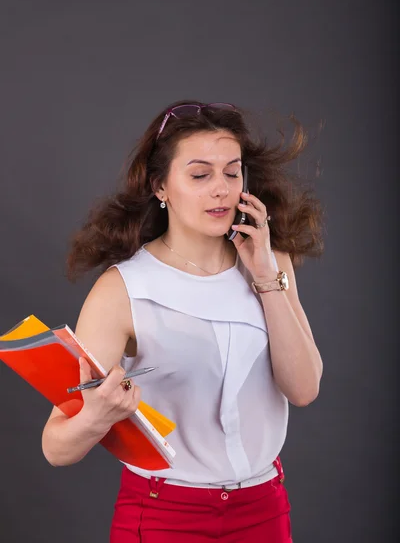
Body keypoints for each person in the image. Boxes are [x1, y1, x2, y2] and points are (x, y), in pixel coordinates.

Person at [42, 101, 324, 542]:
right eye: (200, 175)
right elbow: (55, 448)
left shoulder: (271, 262)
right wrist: (96, 416)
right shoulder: (123, 290)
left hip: (264, 509)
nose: (222, 190)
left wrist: (268, 278)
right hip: (164, 516)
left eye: (232, 173)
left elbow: (304, 389)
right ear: (161, 187)